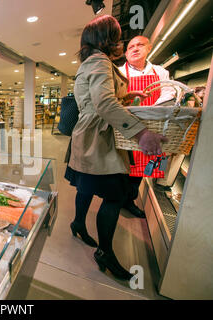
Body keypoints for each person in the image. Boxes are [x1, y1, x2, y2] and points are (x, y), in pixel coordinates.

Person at [65, 15, 168, 281]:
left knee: (86, 187)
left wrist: (127, 95)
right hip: (99, 137)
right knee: (114, 196)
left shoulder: (92, 61)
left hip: (87, 135)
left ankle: (78, 223)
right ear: (105, 38)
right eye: (117, 35)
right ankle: (105, 252)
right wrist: (142, 133)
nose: (121, 42)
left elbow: (96, 97)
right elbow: (104, 103)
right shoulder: (100, 61)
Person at [118, 36, 176, 218]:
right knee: (121, 168)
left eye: (140, 45)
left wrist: (151, 111)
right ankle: (118, 199)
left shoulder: (160, 72)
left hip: (152, 127)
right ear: (126, 53)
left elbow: (168, 94)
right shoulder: (120, 72)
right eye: (131, 46)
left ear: (149, 48)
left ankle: (129, 200)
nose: (135, 49)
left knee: (140, 171)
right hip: (126, 128)